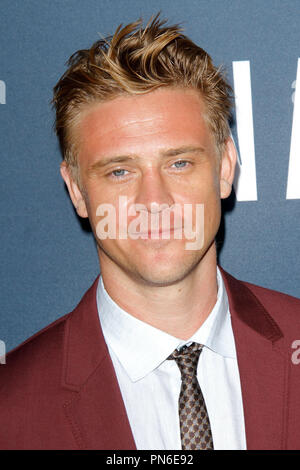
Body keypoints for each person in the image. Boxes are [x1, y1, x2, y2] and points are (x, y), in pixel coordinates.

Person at [0, 15, 300, 451]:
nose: (153, 201)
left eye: (179, 163)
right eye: (120, 171)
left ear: (226, 167)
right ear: (77, 191)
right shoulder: (11, 410)